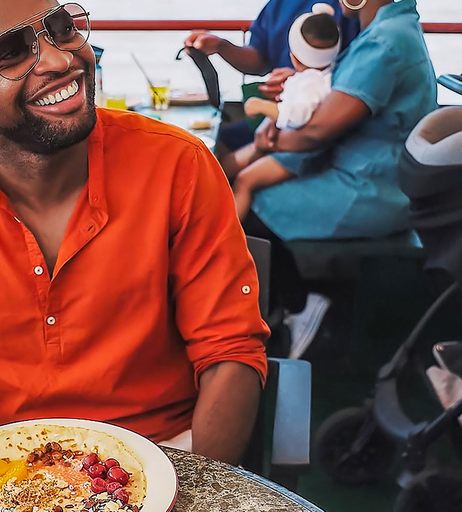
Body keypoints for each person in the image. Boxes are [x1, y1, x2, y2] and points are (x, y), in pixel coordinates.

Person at [0, 0, 269, 464]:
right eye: (11, 52)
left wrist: (204, 486)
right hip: (2, 460)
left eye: (62, 29)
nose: (61, 59)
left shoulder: (177, 164)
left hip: (166, 454)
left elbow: (229, 349)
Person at [232, 0, 437, 359]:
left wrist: (270, 141)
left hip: (372, 189)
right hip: (366, 173)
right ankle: (285, 303)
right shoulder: (384, 31)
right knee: (256, 188)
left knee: (255, 205)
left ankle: (300, 305)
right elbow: (336, 89)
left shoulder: (385, 42)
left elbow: (319, 131)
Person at [184, 0, 359, 155]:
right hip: (276, 115)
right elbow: (259, 59)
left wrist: (303, 77)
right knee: (211, 146)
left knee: (241, 170)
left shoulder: (350, 8)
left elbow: (359, 73)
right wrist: (221, 46)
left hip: (317, 125)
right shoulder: (279, 4)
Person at [233, 3, 341, 219]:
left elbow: (297, 114)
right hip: (285, 140)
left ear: (294, 56)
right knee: (228, 162)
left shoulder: (311, 86)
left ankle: (224, 243)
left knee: (243, 180)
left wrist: (264, 107)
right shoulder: (323, 78)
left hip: (299, 153)